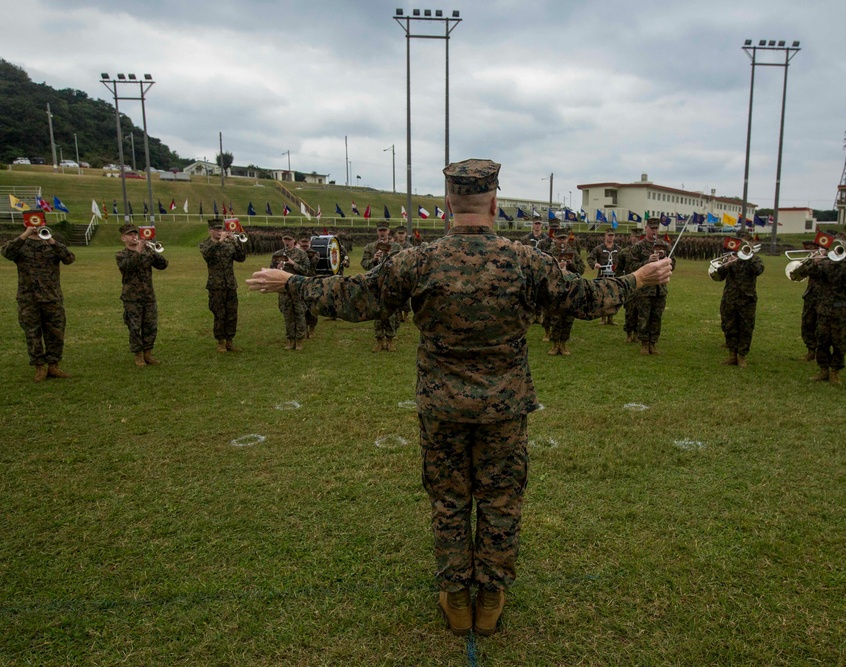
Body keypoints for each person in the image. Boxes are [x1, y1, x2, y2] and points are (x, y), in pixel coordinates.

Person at [247, 159, 673, 637]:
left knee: (449, 500)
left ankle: (456, 592)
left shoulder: (419, 259)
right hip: (504, 408)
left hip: (442, 406)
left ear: (448, 203)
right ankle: (490, 592)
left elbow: (358, 298)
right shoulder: (525, 259)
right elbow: (586, 299)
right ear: (494, 202)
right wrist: (640, 279)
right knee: (500, 500)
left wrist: (293, 282)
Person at [2, 221, 75, 382]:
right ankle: (39, 367)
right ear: (25, 223)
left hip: (52, 297)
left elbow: (69, 258)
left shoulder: (51, 244)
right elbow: (6, 252)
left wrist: (52, 241)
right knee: (33, 334)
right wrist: (25, 234)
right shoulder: (20, 244)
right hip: (29, 298)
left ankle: (53, 365)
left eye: (40, 221)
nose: (36, 226)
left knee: (55, 332)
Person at [790, 232, 846, 386]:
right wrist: (814, 261)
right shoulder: (822, 264)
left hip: (841, 310)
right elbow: (803, 273)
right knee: (822, 341)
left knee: (839, 342)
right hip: (823, 308)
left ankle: (835, 372)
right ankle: (823, 370)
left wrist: (838, 258)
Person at [115, 224, 168, 366]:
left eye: (135, 234)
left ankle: (148, 353)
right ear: (123, 238)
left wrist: (152, 251)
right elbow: (126, 268)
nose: (134, 236)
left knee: (150, 325)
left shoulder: (147, 252)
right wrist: (138, 251)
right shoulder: (121, 255)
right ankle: (138, 354)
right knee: (134, 327)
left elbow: (163, 265)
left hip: (148, 296)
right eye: (130, 234)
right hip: (131, 297)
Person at [618, 220, 672, 355]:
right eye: (651, 228)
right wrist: (647, 261)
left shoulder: (664, 246)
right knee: (643, 317)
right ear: (646, 228)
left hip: (660, 289)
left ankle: (653, 343)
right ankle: (644, 343)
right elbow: (630, 267)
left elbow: (673, 264)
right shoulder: (637, 247)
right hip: (644, 289)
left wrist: (665, 259)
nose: (654, 231)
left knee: (656, 317)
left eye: (656, 228)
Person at [712, 237, 764, 367]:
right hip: (730, 298)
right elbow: (718, 275)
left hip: (747, 299)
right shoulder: (730, 257)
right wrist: (726, 264)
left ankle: (742, 356)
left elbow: (759, 270)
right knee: (729, 326)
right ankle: (732, 354)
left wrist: (749, 255)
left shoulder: (755, 259)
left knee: (746, 327)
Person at [199, 218, 247, 352]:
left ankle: (229, 341)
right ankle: (220, 341)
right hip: (216, 285)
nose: (220, 231)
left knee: (232, 313)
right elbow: (208, 256)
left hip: (230, 284)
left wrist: (235, 242)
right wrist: (220, 241)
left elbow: (241, 258)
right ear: (210, 231)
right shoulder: (205, 244)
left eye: (221, 229)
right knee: (219, 314)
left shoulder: (228, 244)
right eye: (217, 229)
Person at [360, 221, 402, 351]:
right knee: (377, 312)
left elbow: (402, 263)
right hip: (375, 283)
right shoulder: (370, 247)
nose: (382, 232)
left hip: (390, 283)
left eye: (384, 230)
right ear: (377, 232)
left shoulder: (396, 247)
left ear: (389, 232)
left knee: (390, 312)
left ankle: (390, 340)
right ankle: (379, 340)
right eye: (380, 230)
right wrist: (373, 259)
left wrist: (390, 259)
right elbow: (364, 264)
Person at [545, 229, 583, 355]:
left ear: (568, 239)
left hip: (570, 288)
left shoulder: (573, 253)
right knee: (555, 316)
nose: (562, 241)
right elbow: (544, 271)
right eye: (559, 238)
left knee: (568, 317)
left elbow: (581, 270)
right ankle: (555, 344)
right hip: (555, 288)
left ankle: (563, 344)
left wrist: (571, 265)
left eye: (564, 238)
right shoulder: (549, 254)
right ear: (555, 239)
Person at [271, 233, 312, 350]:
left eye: (289, 240)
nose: (287, 242)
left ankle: (299, 340)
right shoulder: (277, 254)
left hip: (297, 289)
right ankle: (290, 340)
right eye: (285, 240)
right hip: (284, 289)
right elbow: (271, 271)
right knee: (287, 315)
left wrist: (293, 263)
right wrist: (277, 268)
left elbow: (306, 270)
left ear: (294, 241)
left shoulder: (301, 254)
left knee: (299, 314)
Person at [590, 229, 621, 325]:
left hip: (614, 276)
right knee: (603, 296)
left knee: (613, 296)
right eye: (609, 235)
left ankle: (610, 318)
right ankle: (603, 318)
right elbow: (590, 258)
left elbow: (624, 259)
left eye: (612, 235)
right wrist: (595, 264)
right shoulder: (599, 248)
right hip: (602, 275)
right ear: (605, 236)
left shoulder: (618, 249)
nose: (610, 237)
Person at [798, 240, 821, 361]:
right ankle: (811, 350)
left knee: (822, 326)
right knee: (807, 323)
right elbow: (800, 274)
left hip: (824, 297)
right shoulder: (811, 261)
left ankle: (821, 353)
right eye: (810, 249)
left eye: (814, 248)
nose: (812, 251)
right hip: (811, 295)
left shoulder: (831, 261)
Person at [297, 234, 320, 336]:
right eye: (302, 246)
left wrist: (302, 253)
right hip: (299, 282)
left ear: (309, 244)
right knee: (301, 307)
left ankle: (312, 327)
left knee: (312, 307)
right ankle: (304, 327)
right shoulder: (295, 253)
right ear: (299, 244)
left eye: (306, 245)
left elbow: (312, 263)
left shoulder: (315, 253)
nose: (304, 247)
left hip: (311, 282)